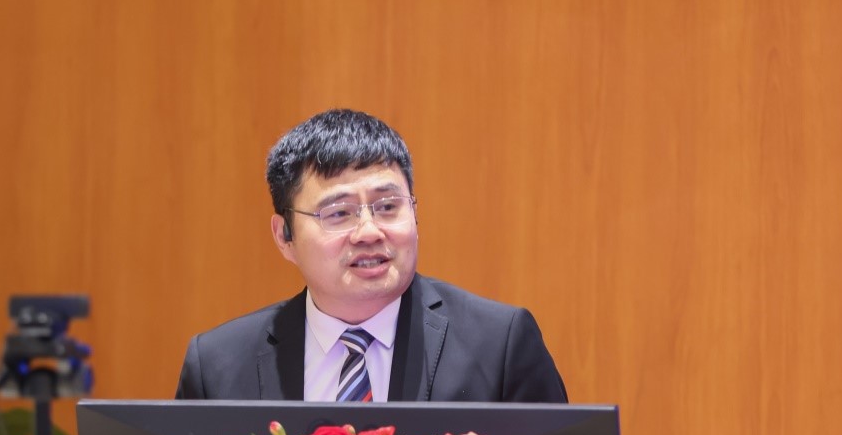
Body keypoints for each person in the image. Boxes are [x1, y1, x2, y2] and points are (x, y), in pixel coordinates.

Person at [175, 108, 567, 403]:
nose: (368, 232)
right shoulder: (218, 367)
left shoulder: (499, 346)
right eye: (339, 213)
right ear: (285, 236)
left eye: (388, 207)